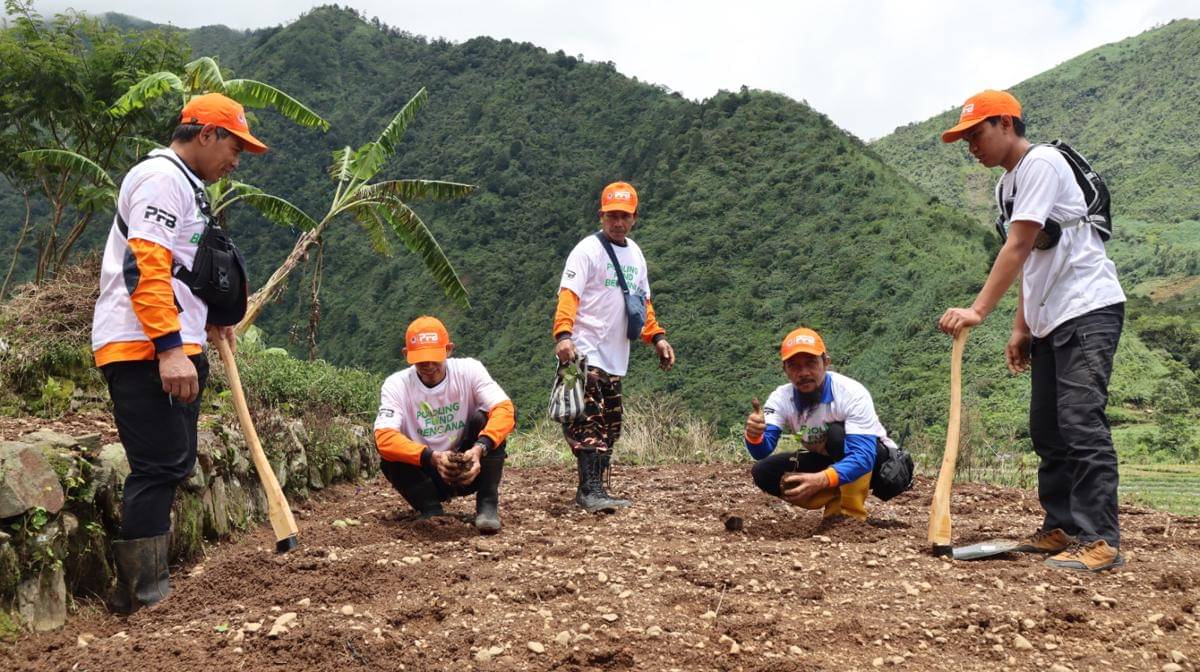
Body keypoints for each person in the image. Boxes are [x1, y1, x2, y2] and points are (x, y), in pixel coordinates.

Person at [92, 93, 267, 613]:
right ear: (207, 134)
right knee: (159, 464)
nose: (236, 160)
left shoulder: (187, 186)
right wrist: (169, 349)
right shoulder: (161, 179)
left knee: (171, 461)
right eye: (234, 146)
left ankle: (149, 583)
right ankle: (139, 595)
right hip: (143, 346)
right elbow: (144, 267)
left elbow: (180, 267)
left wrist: (208, 321)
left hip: (173, 341)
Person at [938, 89, 1126, 572]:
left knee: (1081, 422)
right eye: (965, 139)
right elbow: (1033, 264)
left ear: (1006, 123)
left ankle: (1099, 539)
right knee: (1048, 429)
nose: (972, 146)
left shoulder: (1042, 163)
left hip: (1087, 308)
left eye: (976, 134)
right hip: (1049, 319)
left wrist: (979, 310)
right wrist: (1022, 328)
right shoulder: (1007, 186)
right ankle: (1060, 527)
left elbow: (1019, 246)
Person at [553, 181, 675, 513]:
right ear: (601, 215)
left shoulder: (635, 254)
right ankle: (588, 491)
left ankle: (598, 488)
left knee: (611, 422)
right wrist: (563, 335)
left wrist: (658, 338)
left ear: (634, 217)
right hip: (584, 351)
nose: (617, 222)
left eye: (623, 216)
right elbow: (569, 295)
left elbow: (642, 304)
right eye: (611, 216)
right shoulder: (586, 250)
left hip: (615, 357)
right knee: (589, 420)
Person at [373, 316, 516, 534]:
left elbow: (505, 410)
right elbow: (383, 438)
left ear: (448, 350)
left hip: (468, 465)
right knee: (390, 454)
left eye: (434, 358)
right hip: (427, 471)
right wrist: (433, 458)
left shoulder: (469, 370)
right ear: (406, 356)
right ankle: (430, 508)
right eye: (421, 360)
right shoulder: (396, 385)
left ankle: (487, 504)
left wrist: (479, 450)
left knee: (485, 419)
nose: (428, 366)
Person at [743, 327, 901, 522]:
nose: (803, 373)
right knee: (764, 471)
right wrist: (754, 435)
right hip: (827, 460)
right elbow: (761, 451)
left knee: (836, 436)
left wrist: (821, 480)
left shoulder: (851, 393)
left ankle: (849, 516)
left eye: (811, 363)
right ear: (785, 370)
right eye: (794, 366)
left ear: (826, 362)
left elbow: (863, 456)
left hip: (878, 464)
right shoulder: (781, 398)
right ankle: (834, 496)